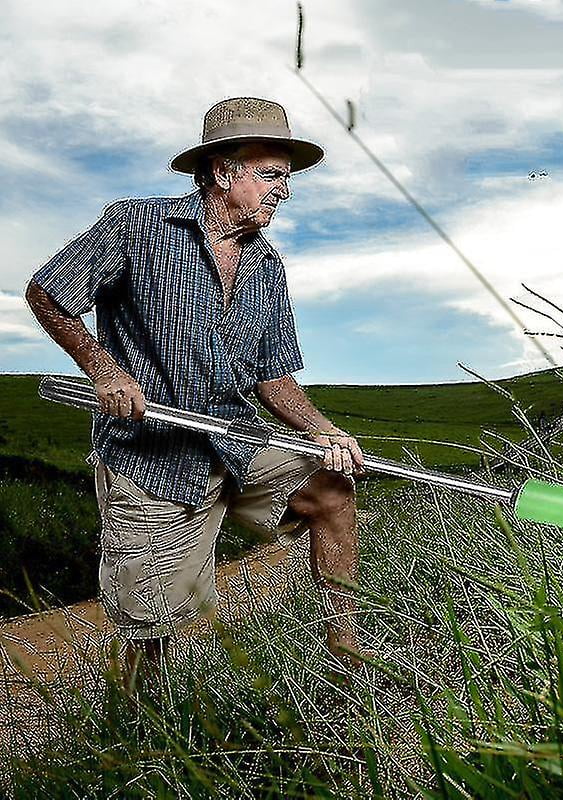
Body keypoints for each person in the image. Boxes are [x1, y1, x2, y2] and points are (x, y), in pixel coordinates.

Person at [25, 97, 367, 699]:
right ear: (223, 172)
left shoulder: (266, 264)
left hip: (235, 442)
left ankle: (347, 656)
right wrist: (103, 369)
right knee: (150, 624)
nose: (285, 191)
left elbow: (274, 376)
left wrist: (322, 429)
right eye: (272, 175)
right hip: (151, 458)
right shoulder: (138, 226)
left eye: (287, 178)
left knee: (332, 490)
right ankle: (136, 719)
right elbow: (48, 292)